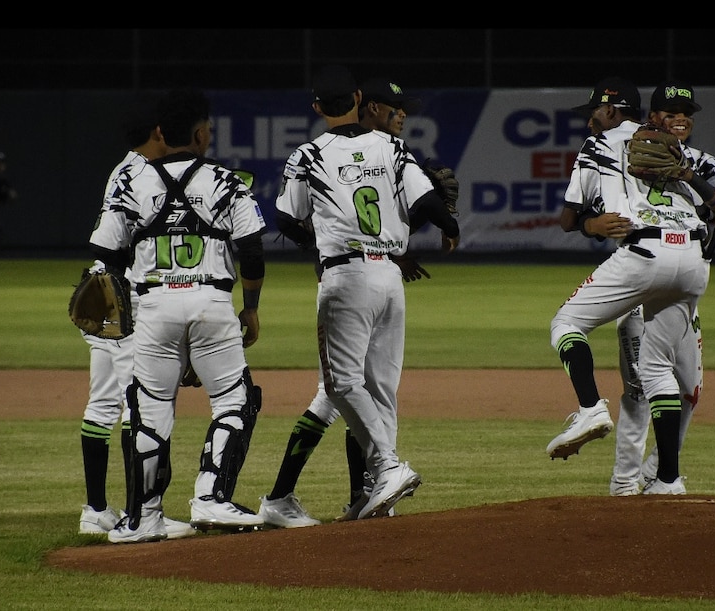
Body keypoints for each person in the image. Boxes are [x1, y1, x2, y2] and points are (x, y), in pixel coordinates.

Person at [273, 65, 459, 522]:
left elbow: (285, 219)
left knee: (340, 385)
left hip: (346, 278)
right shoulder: (392, 148)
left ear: (318, 107)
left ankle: (387, 469)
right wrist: (449, 224)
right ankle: (372, 491)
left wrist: (318, 243)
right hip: (389, 278)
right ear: (359, 99)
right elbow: (428, 204)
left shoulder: (309, 154)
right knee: (378, 389)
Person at [89, 88, 269, 543]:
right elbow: (251, 251)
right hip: (211, 304)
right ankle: (211, 495)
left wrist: (120, 311)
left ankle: (143, 518)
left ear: (159, 133)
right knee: (235, 401)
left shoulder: (132, 182)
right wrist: (250, 308)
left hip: (153, 307)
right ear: (200, 133)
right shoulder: (226, 180)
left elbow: (104, 256)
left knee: (148, 413)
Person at [547, 76, 715, 495]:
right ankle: (652, 481)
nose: (591, 122)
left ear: (610, 111)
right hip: (691, 265)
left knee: (567, 325)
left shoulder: (603, 144)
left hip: (643, 258)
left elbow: (568, 218)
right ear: (651, 116)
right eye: (671, 114)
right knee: (652, 377)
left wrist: (590, 224)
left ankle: (592, 410)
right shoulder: (684, 153)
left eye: (595, 112)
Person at [77, 103, 196, 539]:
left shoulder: (123, 170)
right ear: (159, 134)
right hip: (126, 297)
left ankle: (95, 509)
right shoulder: (142, 173)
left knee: (103, 403)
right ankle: (138, 514)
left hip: (106, 293)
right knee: (138, 406)